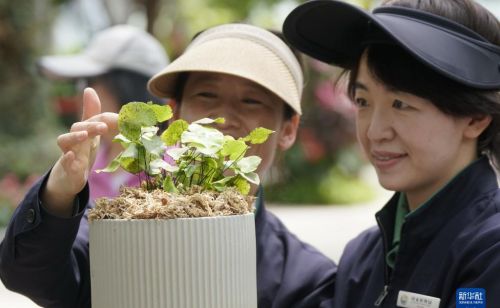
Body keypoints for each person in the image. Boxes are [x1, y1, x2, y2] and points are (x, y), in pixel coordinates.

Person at [0, 23, 336, 308]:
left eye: (251, 100)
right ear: (174, 112)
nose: (224, 117)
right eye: (206, 95)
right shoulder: (123, 229)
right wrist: (59, 193)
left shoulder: (307, 281)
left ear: (288, 129)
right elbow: (30, 273)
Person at [283, 0, 500, 307]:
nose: (374, 132)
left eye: (401, 104)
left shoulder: (490, 253)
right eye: (362, 102)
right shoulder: (364, 256)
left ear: (476, 118)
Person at [38, 24, 169, 200]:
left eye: (88, 81)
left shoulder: (178, 169)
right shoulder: (79, 169)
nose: (78, 94)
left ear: (127, 88)